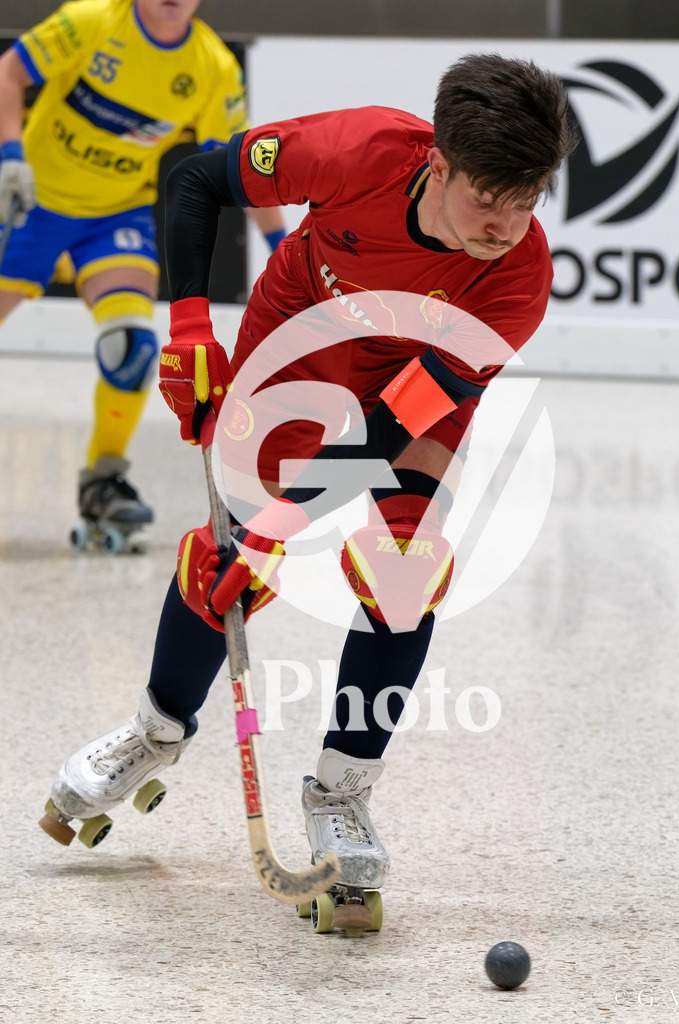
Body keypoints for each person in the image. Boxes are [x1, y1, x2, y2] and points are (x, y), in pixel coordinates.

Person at [41, 54, 577, 894]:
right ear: (437, 163)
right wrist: (188, 330)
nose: (506, 223)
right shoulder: (354, 149)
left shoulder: (518, 276)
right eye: (487, 196)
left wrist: (279, 525)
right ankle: (154, 730)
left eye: (529, 199)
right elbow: (192, 182)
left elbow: (398, 420)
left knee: (405, 570)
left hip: (413, 386)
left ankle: (343, 792)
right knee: (225, 568)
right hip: (299, 340)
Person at [0, 0, 285, 545]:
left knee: (131, 348)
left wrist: (282, 247)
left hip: (115, 218)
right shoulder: (91, 21)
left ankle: (103, 480)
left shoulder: (211, 67)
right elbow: (9, 72)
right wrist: (11, 154)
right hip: (32, 201)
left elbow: (239, 168)